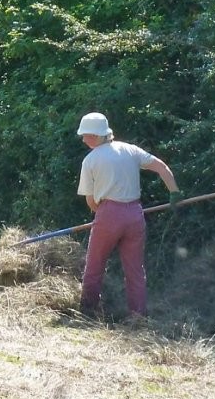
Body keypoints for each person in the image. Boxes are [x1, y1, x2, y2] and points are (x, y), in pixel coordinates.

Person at [75, 112, 180, 319]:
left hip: (108, 214)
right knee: (135, 269)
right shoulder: (130, 150)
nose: (83, 139)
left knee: (94, 265)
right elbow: (161, 167)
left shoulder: (91, 160)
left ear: (96, 135)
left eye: (86, 135)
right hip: (135, 214)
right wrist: (174, 193)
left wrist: (105, 215)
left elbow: (90, 201)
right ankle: (138, 316)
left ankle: (88, 312)